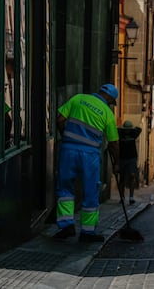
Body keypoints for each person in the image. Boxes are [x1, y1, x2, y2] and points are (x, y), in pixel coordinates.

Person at [53, 83, 120, 243]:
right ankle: (87, 231)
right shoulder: (107, 113)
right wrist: (116, 163)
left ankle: (66, 226)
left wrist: (66, 137)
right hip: (90, 155)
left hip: (68, 150)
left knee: (65, 187)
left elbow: (60, 119)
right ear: (110, 99)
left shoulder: (78, 99)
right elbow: (113, 142)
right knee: (91, 191)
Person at [118, 120, 142, 205]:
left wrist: (132, 129)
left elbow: (139, 129)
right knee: (122, 178)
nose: (127, 130)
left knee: (132, 176)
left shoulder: (133, 134)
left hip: (132, 158)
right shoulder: (120, 134)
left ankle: (131, 197)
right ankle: (122, 197)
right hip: (122, 158)